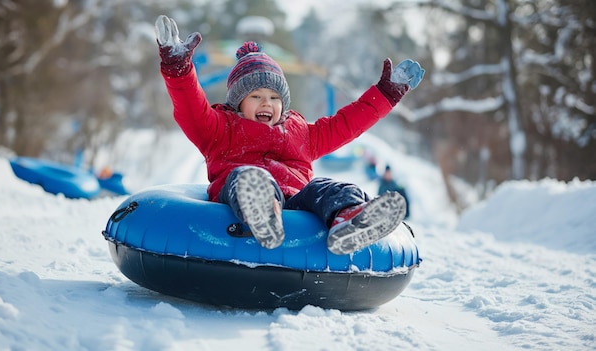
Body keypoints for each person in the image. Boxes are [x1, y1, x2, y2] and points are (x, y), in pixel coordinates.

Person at [154, 15, 424, 255]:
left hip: (296, 200)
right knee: (248, 178)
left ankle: (351, 221)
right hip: (243, 192)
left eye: (274, 97)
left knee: (329, 188)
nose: (266, 103)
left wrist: (386, 94)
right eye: (256, 96)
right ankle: (261, 212)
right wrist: (179, 69)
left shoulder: (303, 133)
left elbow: (347, 123)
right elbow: (190, 108)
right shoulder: (219, 128)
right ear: (238, 103)